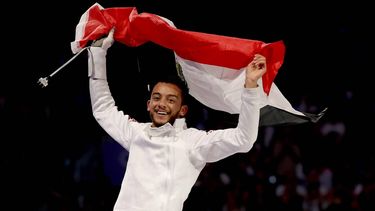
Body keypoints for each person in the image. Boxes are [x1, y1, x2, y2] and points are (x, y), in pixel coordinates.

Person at [88, 29, 267, 211]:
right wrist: (97, 53)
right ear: (148, 105)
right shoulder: (135, 133)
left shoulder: (192, 142)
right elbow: (103, 109)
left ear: (183, 110)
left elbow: (244, 139)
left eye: (171, 100)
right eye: (157, 98)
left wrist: (251, 85)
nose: (162, 104)